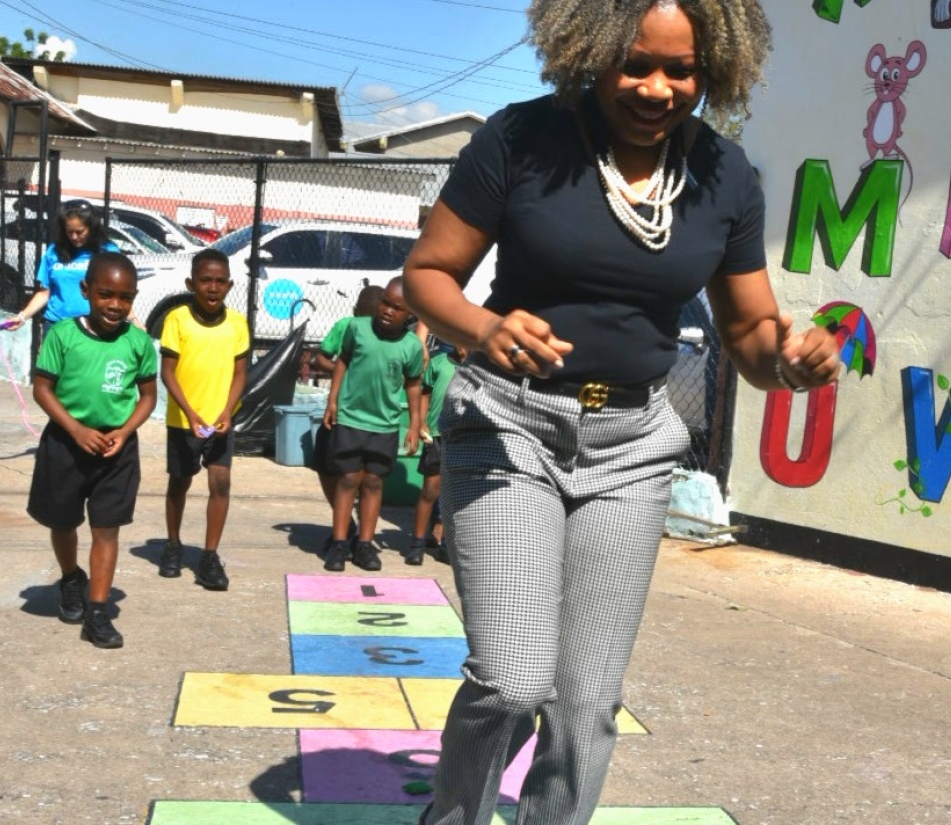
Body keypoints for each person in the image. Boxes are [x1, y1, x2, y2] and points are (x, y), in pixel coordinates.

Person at [401, 1, 842, 823]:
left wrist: (788, 359)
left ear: (715, 68)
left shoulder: (724, 175)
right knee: (513, 680)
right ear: (591, 51)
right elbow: (425, 275)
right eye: (636, 63)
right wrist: (485, 327)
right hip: (510, 424)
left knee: (585, 704)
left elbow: (749, 332)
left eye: (682, 70)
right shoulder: (522, 139)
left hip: (633, 443)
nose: (657, 87)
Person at [27, 251, 157, 649]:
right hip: (66, 444)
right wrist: (76, 429)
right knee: (63, 521)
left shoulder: (138, 342)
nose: (116, 305)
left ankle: (97, 613)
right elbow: (42, 388)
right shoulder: (63, 335)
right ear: (86, 290)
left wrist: (125, 430)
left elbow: (148, 397)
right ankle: (71, 578)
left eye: (126, 297)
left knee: (106, 529)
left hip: (115, 451)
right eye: (105, 294)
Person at [156, 248, 250, 591]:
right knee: (179, 482)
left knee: (220, 484)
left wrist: (227, 410)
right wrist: (190, 412)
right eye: (205, 280)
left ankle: (209, 556)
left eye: (220, 281)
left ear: (229, 285)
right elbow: (167, 372)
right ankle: (172, 544)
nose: (213, 287)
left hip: (221, 421)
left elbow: (241, 373)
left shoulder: (237, 323)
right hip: (184, 421)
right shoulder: (177, 319)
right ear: (191, 283)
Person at [320, 276, 424, 573]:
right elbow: (343, 361)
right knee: (348, 479)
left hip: (385, 425)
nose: (388, 311)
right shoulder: (357, 329)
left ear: (410, 315)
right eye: (385, 303)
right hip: (351, 418)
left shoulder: (411, 346)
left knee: (373, 482)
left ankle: (364, 545)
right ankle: (340, 543)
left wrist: (415, 425)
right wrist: (333, 400)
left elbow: (414, 384)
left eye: (397, 307)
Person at [311, 284, 386, 525]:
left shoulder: (388, 335)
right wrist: (342, 373)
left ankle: (359, 529)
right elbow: (321, 357)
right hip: (339, 409)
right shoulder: (345, 326)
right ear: (354, 313)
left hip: (369, 415)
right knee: (325, 463)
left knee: (364, 475)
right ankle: (346, 525)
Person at [9, 200, 121, 335]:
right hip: (56, 326)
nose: (74, 237)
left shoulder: (108, 252)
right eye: (69, 232)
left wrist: (133, 319)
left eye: (80, 232)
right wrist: (22, 317)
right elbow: (45, 292)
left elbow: (119, 293)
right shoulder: (54, 251)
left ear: (92, 228)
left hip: (92, 328)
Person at [408, 342, 466, 565]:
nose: (465, 349)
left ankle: (446, 546)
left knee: (456, 495)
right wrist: (421, 423)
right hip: (438, 437)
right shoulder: (439, 363)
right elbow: (425, 394)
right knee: (430, 490)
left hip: (463, 438)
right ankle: (417, 543)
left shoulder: (478, 369)